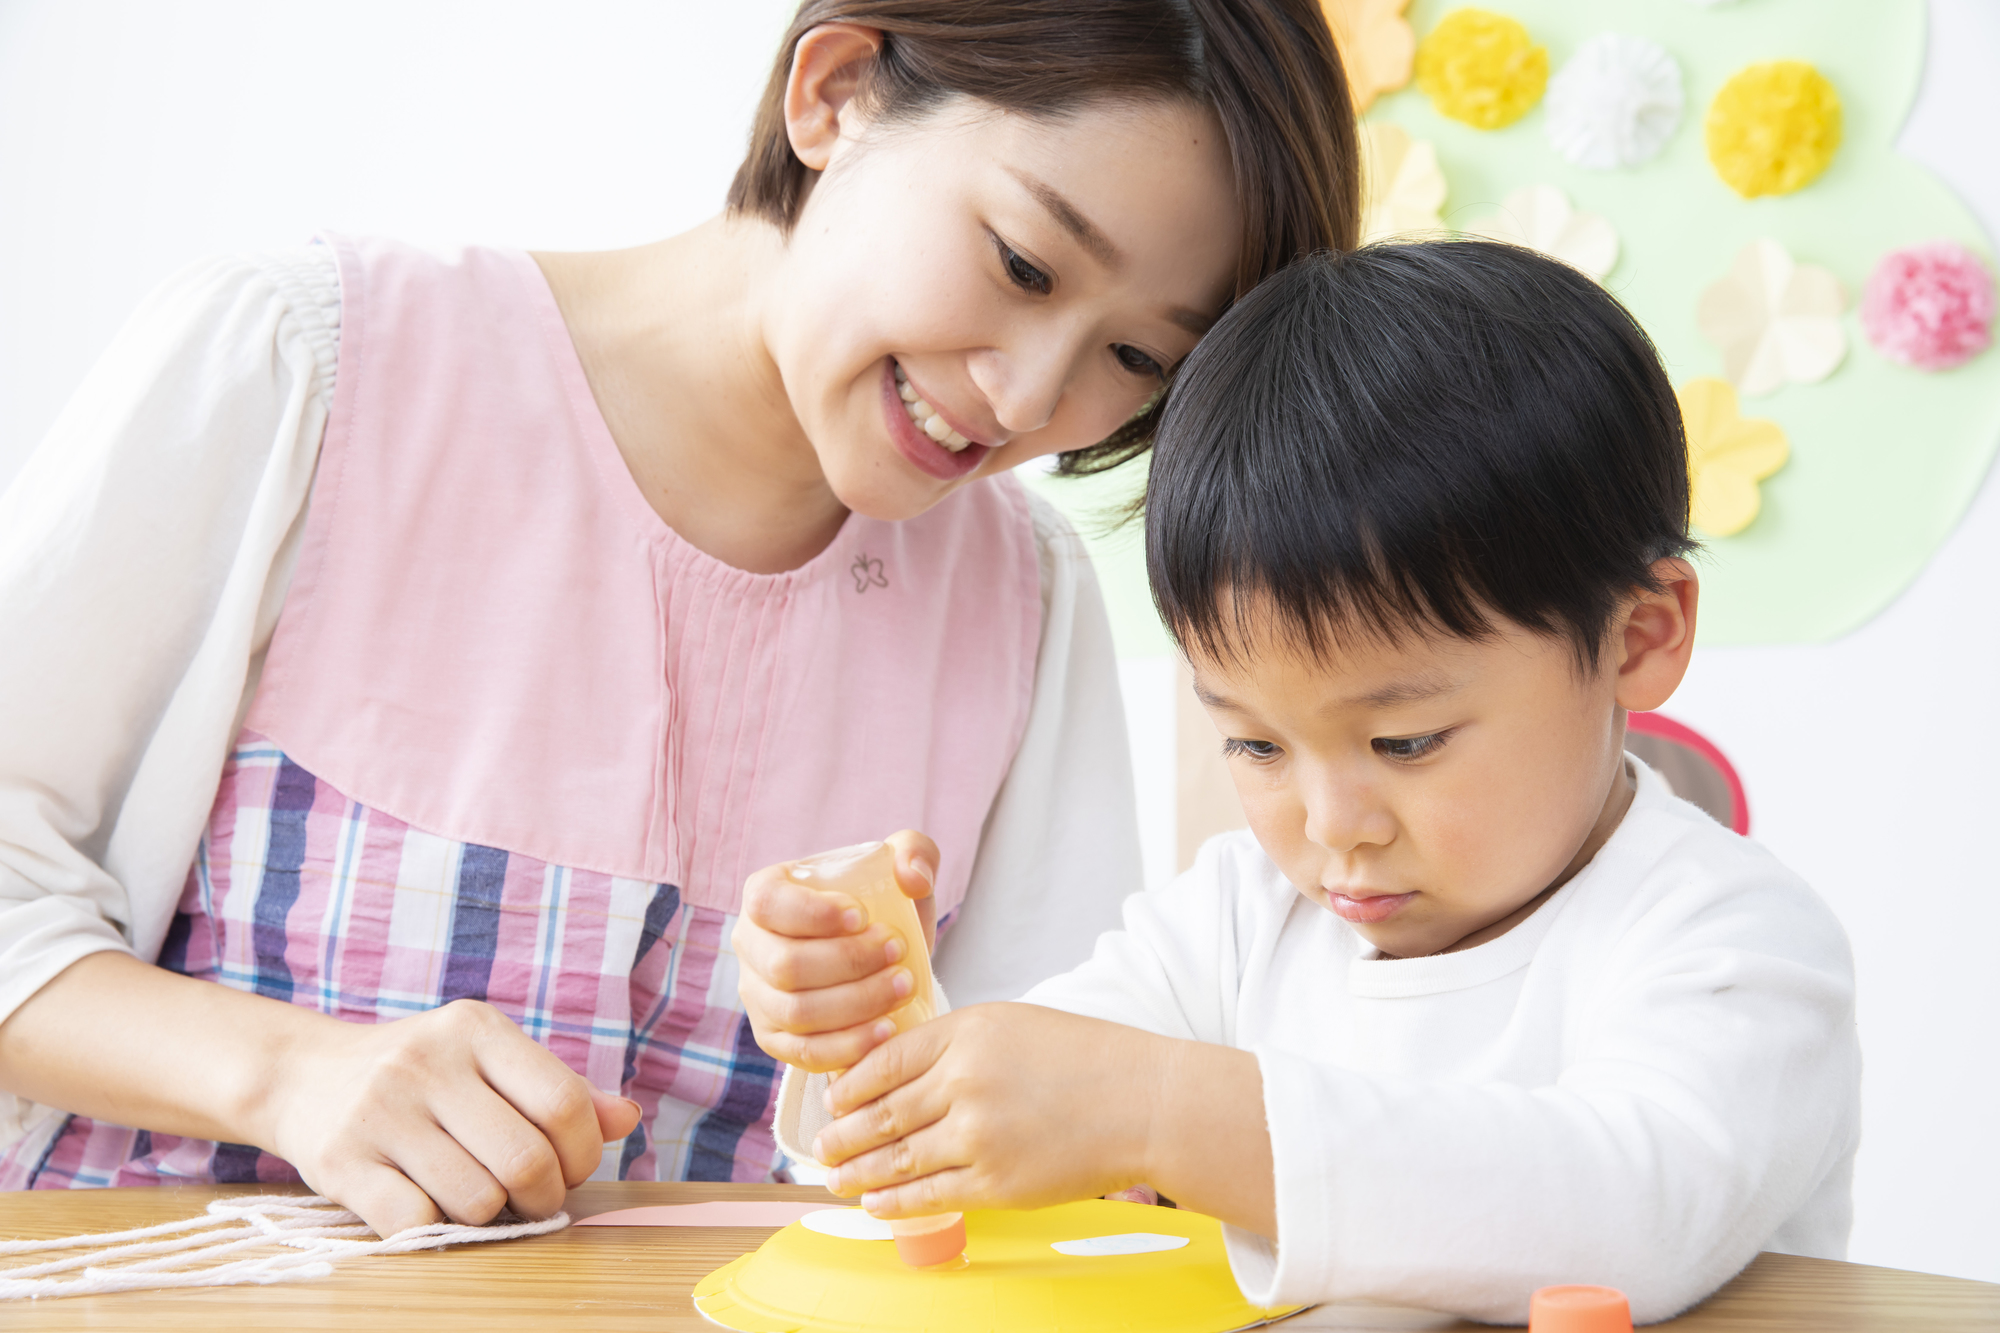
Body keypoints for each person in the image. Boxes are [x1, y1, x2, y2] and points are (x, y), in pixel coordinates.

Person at [0, 1, 1361, 1238]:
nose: (1026, 398)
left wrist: (884, 1076)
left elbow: (1034, 1153)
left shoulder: (1025, 595)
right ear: (835, 93)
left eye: (1137, 359)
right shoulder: (313, 362)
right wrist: (290, 1073)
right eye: (1021, 263)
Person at [750, 243, 1862, 1324]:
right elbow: (1001, 1118)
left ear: (1638, 637)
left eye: (1406, 742)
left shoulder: (1726, 938)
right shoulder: (1238, 920)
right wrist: (870, 1030)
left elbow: (1624, 1220)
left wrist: (1158, 1111)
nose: (1333, 829)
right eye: (1255, 747)